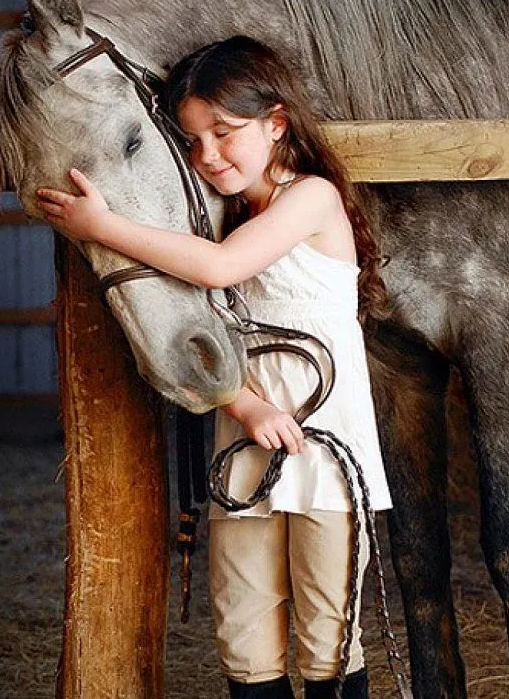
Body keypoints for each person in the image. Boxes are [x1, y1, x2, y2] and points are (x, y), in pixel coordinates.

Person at [36, 35, 392, 699]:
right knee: (245, 632)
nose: (208, 155)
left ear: (277, 123)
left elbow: (221, 269)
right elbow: (215, 334)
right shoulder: (217, 217)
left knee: (328, 636)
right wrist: (245, 405)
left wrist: (100, 226)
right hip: (245, 448)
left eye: (225, 133)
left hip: (323, 455)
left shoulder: (309, 200)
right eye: (194, 140)